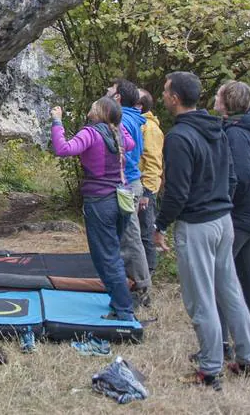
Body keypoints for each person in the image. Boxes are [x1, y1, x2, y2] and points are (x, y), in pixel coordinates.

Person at [154, 72, 250, 390]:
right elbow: (230, 177)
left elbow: (176, 192)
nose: (162, 95)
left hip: (198, 225)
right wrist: (221, 203)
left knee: (201, 298)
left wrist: (160, 225)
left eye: (165, 91)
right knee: (229, 291)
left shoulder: (179, 137)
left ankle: (210, 369)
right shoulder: (218, 129)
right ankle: (247, 360)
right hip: (224, 221)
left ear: (175, 98)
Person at [49, 97, 138, 322]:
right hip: (123, 199)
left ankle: (124, 310)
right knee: (113, 253)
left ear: (100, 112)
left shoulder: (91, 133)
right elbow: (131, 144)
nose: (91, 106)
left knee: (106, 258)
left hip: (100, 201)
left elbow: (63, 149)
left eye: (94, 105)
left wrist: (57, 122)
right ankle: (119, 301)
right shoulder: (118, 134)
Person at [214, 80, 250, 354]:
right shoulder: (247, 128)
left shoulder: (236, 133)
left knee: (219, 276)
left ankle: (221, 344)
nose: (214, 98)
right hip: (249, 212)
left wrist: (221, 202)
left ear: (228, 102)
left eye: (218, 95)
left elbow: (241, 176)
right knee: (247, 275)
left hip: (238, 215)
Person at [109, 79, 153, 308]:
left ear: (117, 97)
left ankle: (140, 288)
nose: (107, 91)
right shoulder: (133, 117)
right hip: (131, 182)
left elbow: (120, 152)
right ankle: (133, 284)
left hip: (125, 184)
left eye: (110, 88)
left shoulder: (123, 119)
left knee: (130, 237)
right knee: (127, 235)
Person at [137, 88, 164, 275]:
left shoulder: (151, 128)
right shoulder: (139, 124)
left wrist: (147, 192)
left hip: (145, 190)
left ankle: (149, 273)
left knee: (145, 232)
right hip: (135, 187)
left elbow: (153, 163)